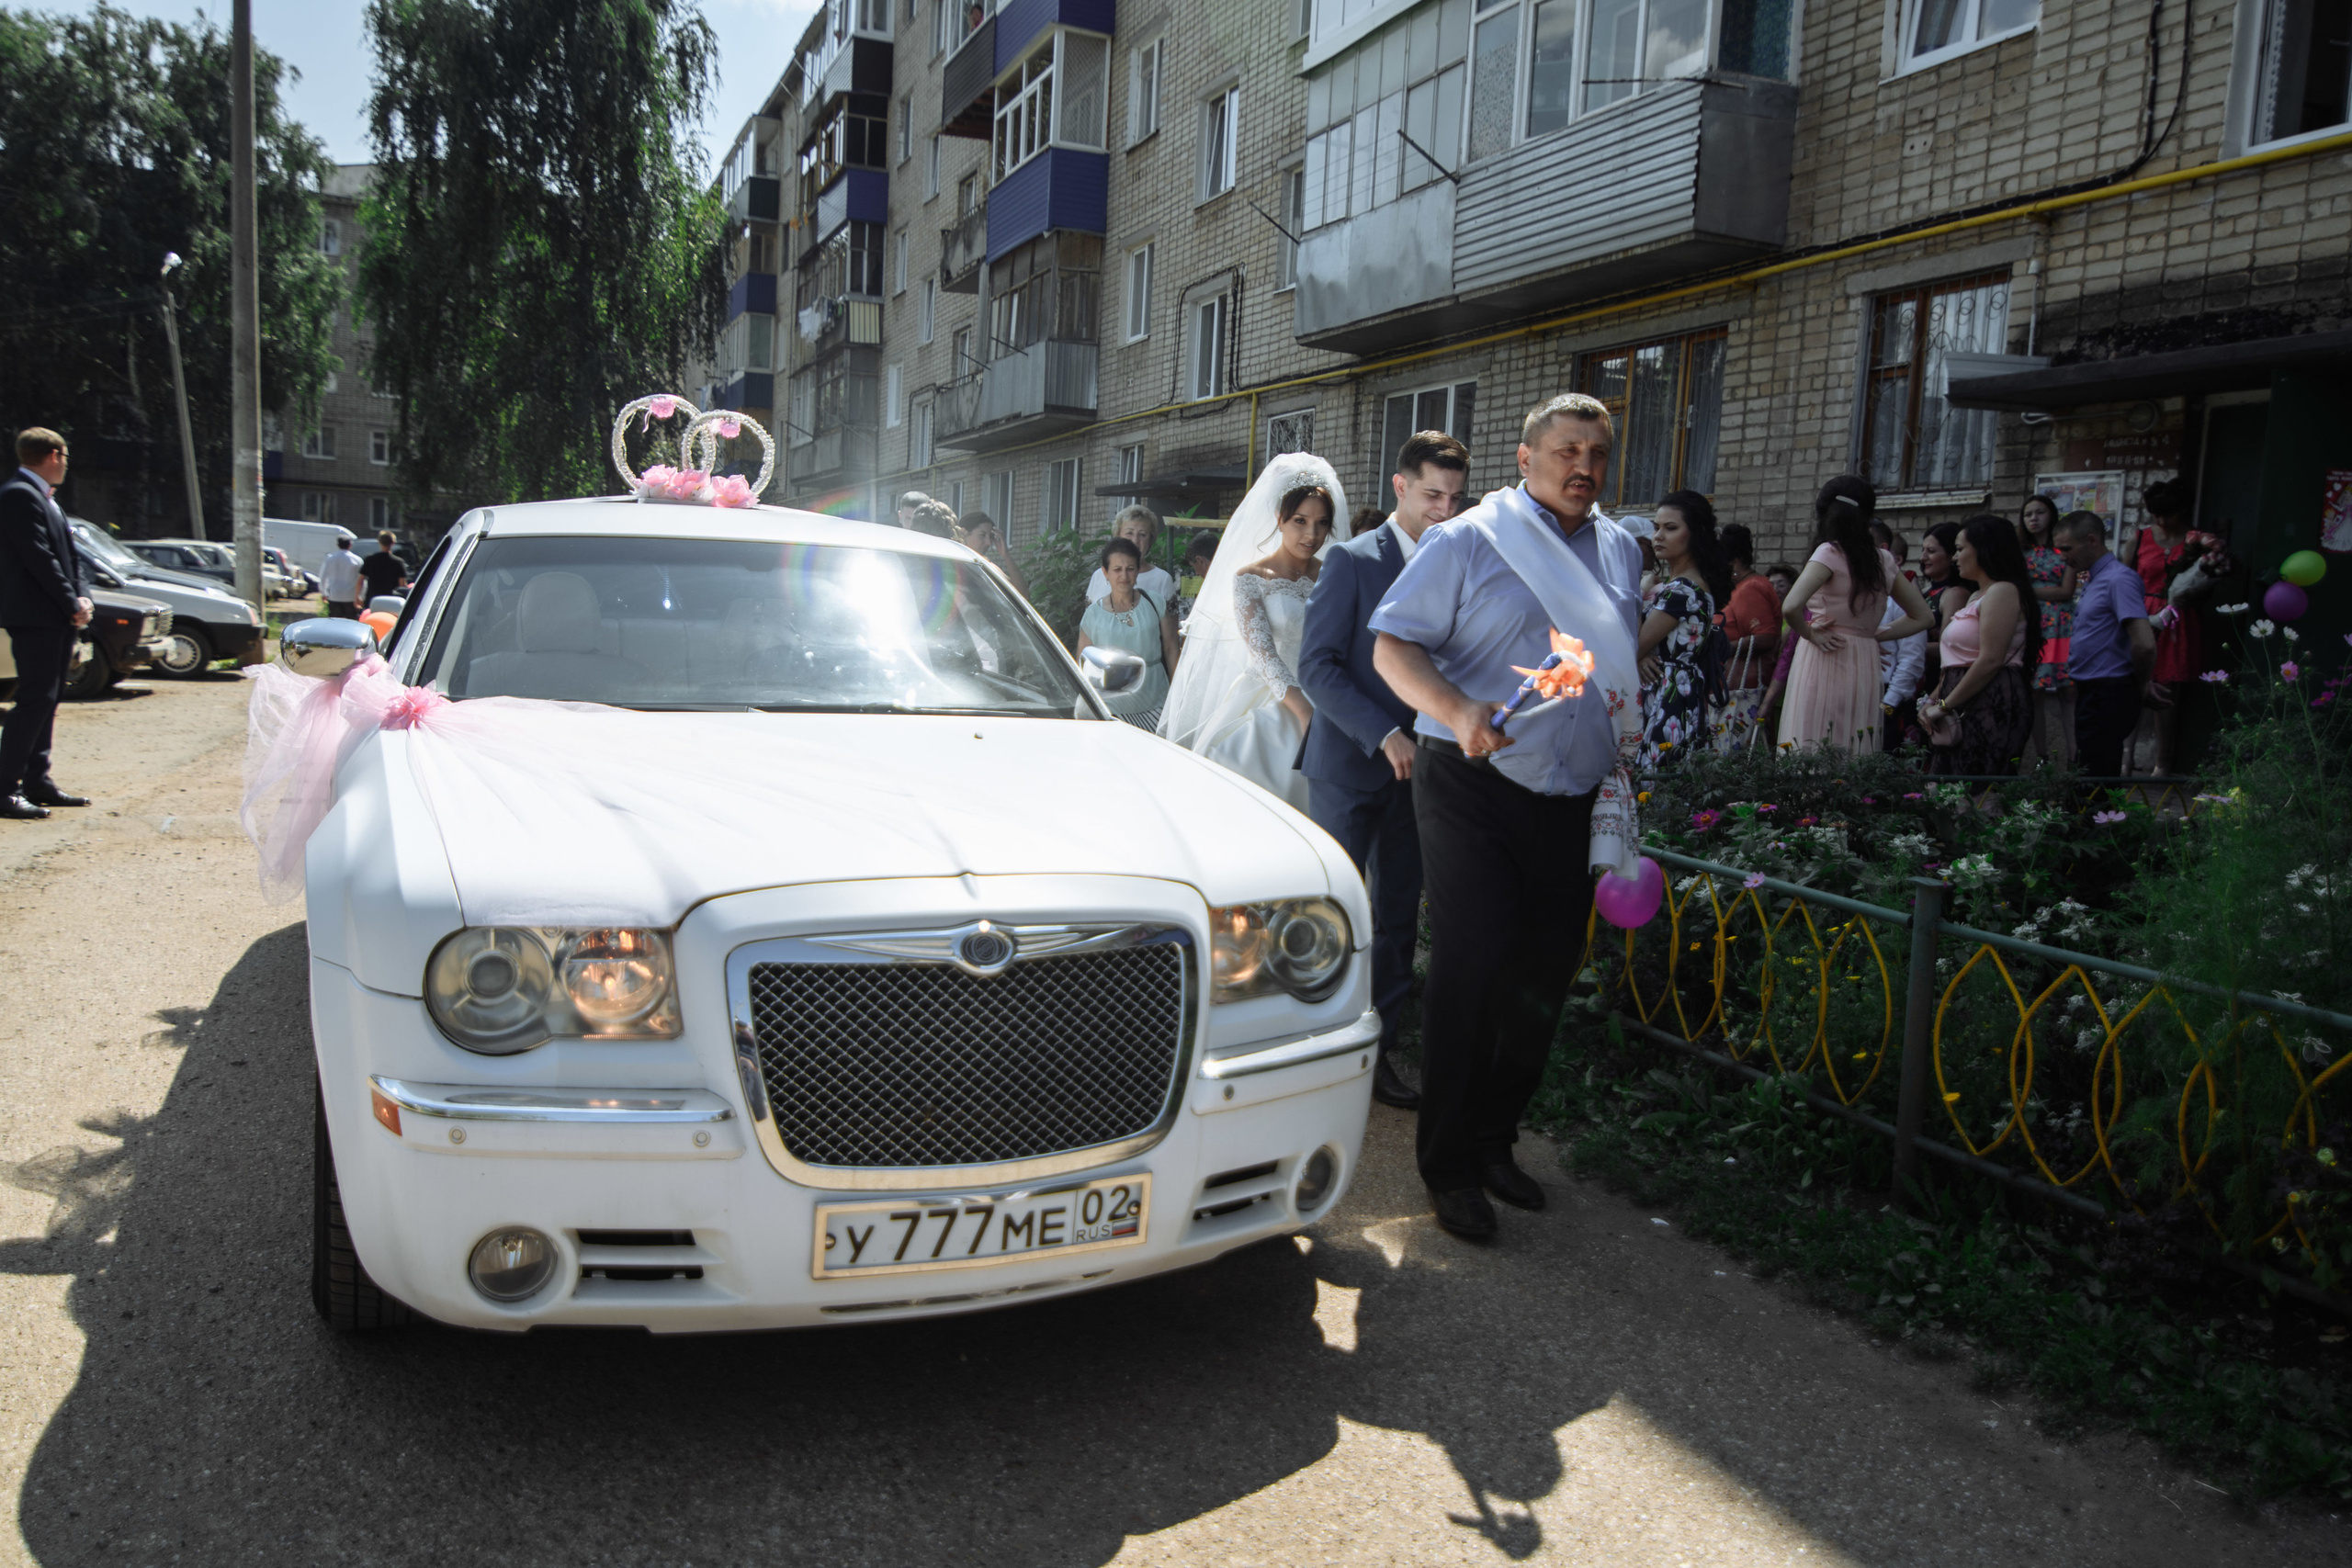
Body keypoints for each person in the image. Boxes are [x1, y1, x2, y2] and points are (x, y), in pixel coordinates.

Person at [1370, 392, 1643, 1242]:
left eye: (1597, 453)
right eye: (1567, 450)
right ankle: (1447, 1164)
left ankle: (1494, 1140)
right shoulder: (1469, 539)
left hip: (1569, 791)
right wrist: (1455, 710)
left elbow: (1598, 661)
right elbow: (1392, 647)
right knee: (1471, 960)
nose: (1583, 467)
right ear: (1526, 461)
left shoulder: (1622, 552)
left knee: (1541, 972)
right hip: (1469, 778)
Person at [1298, 431, 1470, 1113]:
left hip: (1424, 771)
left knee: (1399, 914)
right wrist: (1384, 733)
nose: (1445, 511)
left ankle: (1378, 1052)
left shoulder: (1461, 558)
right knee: (1334, 912)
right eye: (1433, 494)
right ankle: (1313, 1045)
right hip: (1346, 766)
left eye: (1456, 498)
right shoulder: (1349, 559)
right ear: (1400, 487)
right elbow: (1317, 668)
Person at [1159, 457, 1349, 814]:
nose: (1312, 534)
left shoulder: (1336, 574)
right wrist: (1305, 713)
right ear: (1280, 519)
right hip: (1271, 695)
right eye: (1300, 521)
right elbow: (1265, 655)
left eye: (1322, 524)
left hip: (1328, 691)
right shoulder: (1250, 578)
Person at [1777, 477, 1932, 755]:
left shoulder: (1829, 552)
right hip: (1864, 658)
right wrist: (1873, 634)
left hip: (1823, 653)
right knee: (1854, 743)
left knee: (1813, 740)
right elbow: (1923, 617)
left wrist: (1810, 632)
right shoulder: (1884, 559)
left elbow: (1790, 606)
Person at [0, 428, 94, 820]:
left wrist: (83, 596)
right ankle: (6, 789)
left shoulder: (46, 499)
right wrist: (71, 601)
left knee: (48, 699)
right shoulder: (18, 495)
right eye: (66, 459)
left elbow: (73, 558)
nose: (66, 467)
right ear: (54, 455)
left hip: (55, 616)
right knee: (34, 699)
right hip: (34, 616)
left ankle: (38, 781)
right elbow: (38, 557)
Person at [1918, 514, 2041, 775]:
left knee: (1976, 791)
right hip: (1960, 700)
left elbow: (1991, 659)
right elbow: (1955, 661)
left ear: (1984, 549)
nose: (1954, 557)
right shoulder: (1976, 595)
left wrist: (1944, 706)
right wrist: (1930, 701)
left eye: (1960, 549)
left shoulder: (2003, 591)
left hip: (1989, 700)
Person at [2128, 479, 2230, 775]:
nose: (2161, 521)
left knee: (2167, 686)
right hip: (2143, 613)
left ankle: (2163, 759)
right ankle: (2125, 756)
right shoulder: (2140, 538)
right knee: (2131, 680)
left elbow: (2208, 581)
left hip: (2177, 616)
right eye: (2156, 515)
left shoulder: (2196, 541)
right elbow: (2125, 578)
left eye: (2168, 515)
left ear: (2181, 510)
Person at [1636, 490, 1731, 767]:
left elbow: (1634, 645)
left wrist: (1640, 590)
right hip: (1669, 688)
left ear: (1694, 534)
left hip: (1667, 694)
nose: (1658, 536)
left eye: (1671, 528)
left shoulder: (1683, 591)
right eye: (1656, 528)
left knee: (1653, 779)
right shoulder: (1676, 585)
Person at [2057, 510, 2154, 778]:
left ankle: (2099, 821)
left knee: (2094, 779)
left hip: (2109, 690)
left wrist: (2141, 684)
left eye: (2067, 548)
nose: (2062, 556)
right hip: (2092, 690)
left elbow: (2144, 644)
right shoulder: (2095, 578)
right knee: (2088, 772)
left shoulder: (2117, 579)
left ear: (2091, 541)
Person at [1075, 537, 1177, 728]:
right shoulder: (1093, 614)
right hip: (1111, 706)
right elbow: (1084, 663)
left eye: (1130, 569)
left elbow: (1171, 648)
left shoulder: (1155, 602)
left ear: (1138, 571)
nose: (1124, 575)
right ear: (1105, 573)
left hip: (1155, 700)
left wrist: (1177, 691)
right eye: (1117, 569)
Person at [2016, 493, 2075, 768]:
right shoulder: (2020, 551)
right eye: (2028, 514)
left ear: (2052, 514)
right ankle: (2041, 757)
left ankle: (2074, 754)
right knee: (2034, 690)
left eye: (2039, 512)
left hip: (2061, 626)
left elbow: (2066, 591)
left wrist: (2028, 592)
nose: (2033, 519)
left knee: (2068, 689)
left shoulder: (2065, 549)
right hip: (2033, 625)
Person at [1710, 523, 1780, 753]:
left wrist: (1721, 648)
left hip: (1742, 694)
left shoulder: (1751, 588)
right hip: (1733, 691)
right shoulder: (1746, 587)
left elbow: (1766, 637)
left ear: (1734, 562)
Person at [1086, 505, 1175, 608]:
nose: (1135, 541)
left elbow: (1171, 622)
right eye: (1129, 533)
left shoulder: (1162, 579)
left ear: (1150, 540)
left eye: (1142, 535)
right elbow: (1087, 620)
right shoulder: (1099, 576)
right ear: (1118, 536)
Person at [951, 508, 1031, 597]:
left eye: (991, 537)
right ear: (963, 533)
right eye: (982, 535)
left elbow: (1022, 595)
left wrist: (1006, 556)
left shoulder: (986, 566)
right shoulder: (948, 562)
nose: (988, 543)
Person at [320, 534, 364, 618]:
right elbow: (361, 580)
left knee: (335, 621)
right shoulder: (357, 560)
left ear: (338, 545)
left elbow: (323, 577)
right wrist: (360, 595)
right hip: (351, 596)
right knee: (351, 621)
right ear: (350, 545)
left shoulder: (330, 559)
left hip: (334, 595)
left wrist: (324, 592)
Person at [359, 530, 406, 604]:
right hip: (392, 600)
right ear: (393, 543)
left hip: (373, 599)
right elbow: (402, 585)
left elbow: (360, 580)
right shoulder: (398, 562)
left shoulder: (370, 559)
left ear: (379, 542)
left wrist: (358, 596)